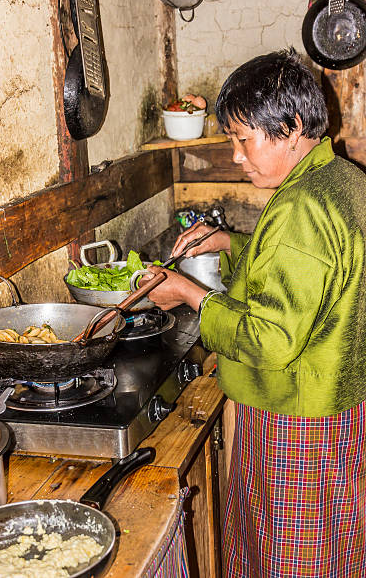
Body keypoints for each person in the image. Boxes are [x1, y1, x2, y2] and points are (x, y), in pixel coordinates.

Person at [143, 48, 366, 577]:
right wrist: (226, 240)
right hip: (338, 408)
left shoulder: (301, 207)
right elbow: (304, 272)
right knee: (331, 553)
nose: (236, 156)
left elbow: (269, 338)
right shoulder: (341, 179)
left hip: (297, 424)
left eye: (244, 139)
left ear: (289, 128)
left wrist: (189, 294)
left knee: (292, 560)